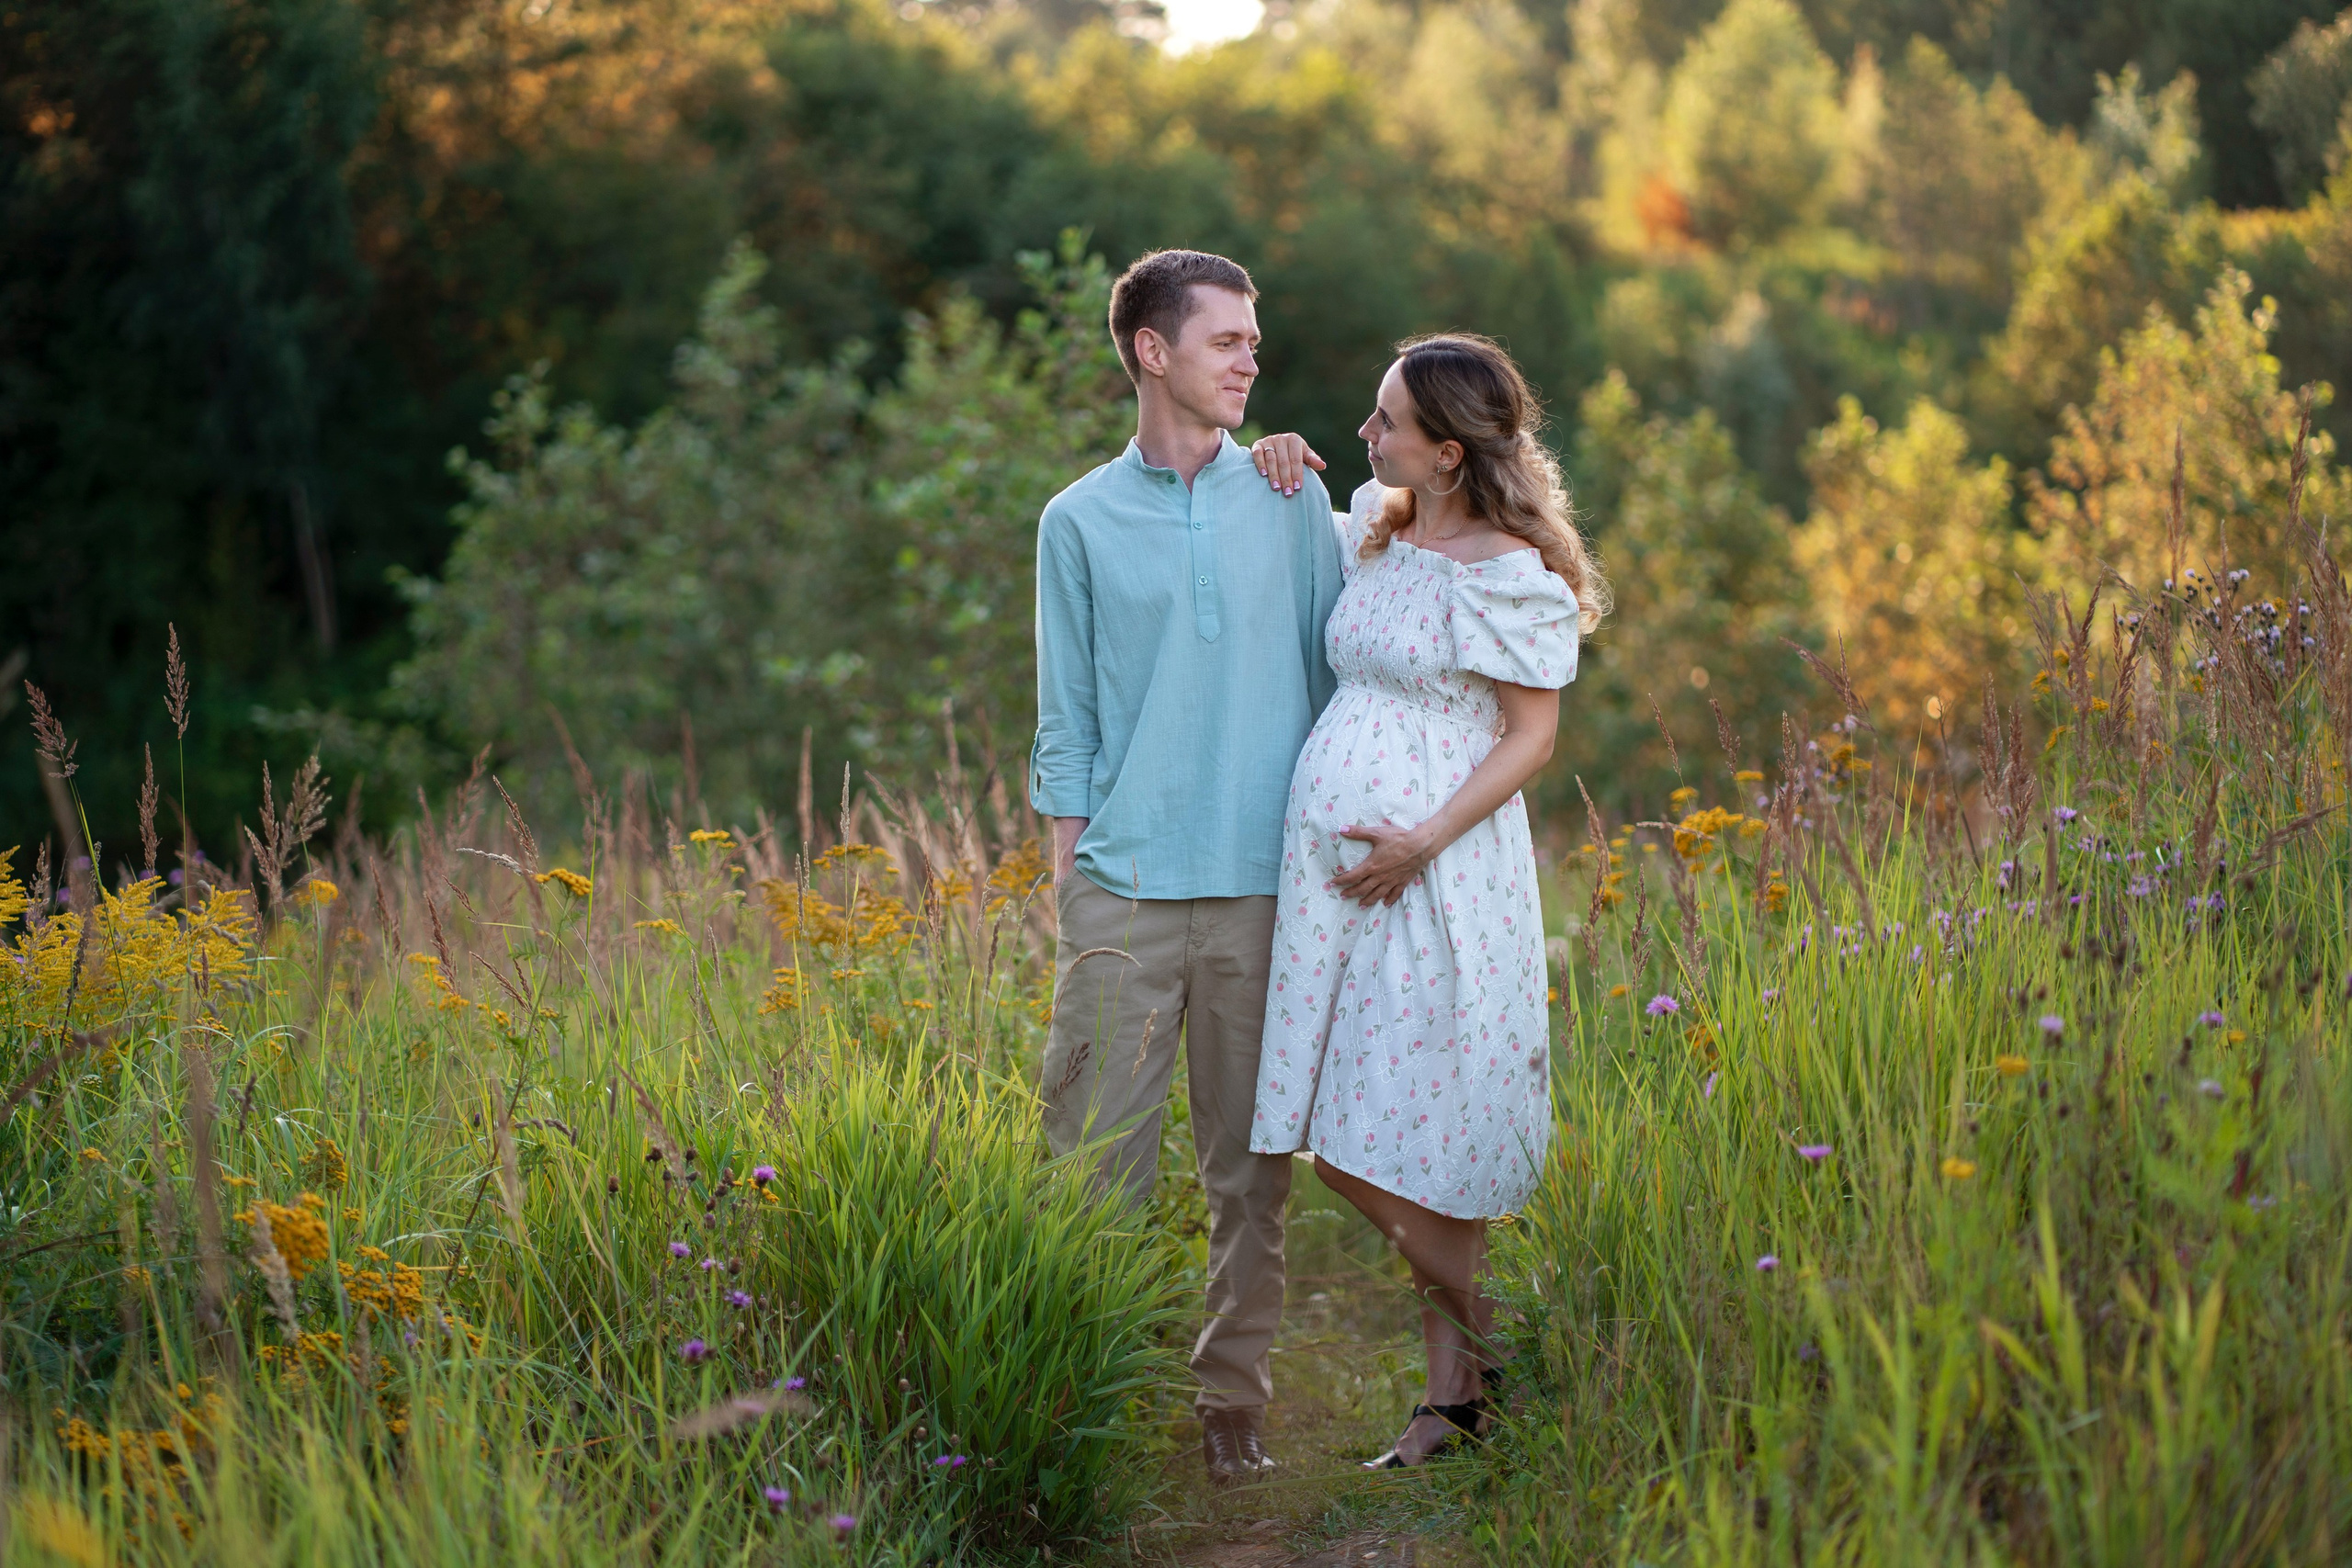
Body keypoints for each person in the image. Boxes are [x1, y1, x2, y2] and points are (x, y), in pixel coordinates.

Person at [1242, 334, 1608, 1468]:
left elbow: (1533, 736)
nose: (1368, 434)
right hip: (1340, 884)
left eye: (1385, 421)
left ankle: (1484, 1355)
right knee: (1352, 1124)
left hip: (1437, 875)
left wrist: (1422, 842)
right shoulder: (1385, 530)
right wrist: (1280, 451)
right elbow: (1304, 509)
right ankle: (1463, 1388)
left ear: (1447, 453)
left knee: (1391, 1135)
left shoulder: (1510, 575)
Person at [1029, 249, 1346, 1487]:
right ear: (1153, 351)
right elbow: (1067, 728)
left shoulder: (1291, 501)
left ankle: (1233, 1401)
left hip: (1266, 886)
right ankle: (1078, 1395)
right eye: (1227, 341)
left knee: (1249, 1171)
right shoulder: (1077, 520)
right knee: (1089, 1164)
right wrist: (1075, 891)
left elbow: (1339, 688)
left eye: (1254, 341)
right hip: (1123, 888)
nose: (1250, 359)